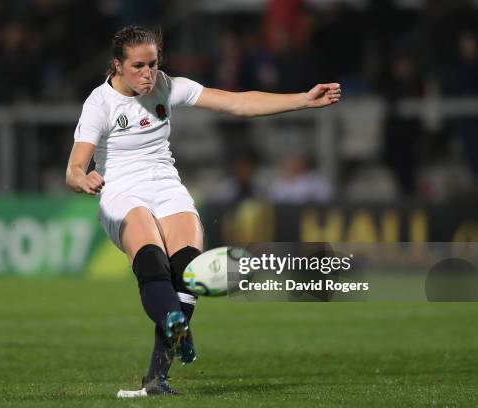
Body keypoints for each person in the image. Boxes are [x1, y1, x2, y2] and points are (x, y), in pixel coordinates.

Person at [65, 25, 341, 397]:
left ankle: (157, 378)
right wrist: (83, 180)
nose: (149, 73)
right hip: (121, 190)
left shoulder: (166, 85)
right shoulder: (99, 103)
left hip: (165, 185)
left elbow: (238, 103)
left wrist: (303, 100)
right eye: (138, 66)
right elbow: (74, 168)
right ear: (117, 65)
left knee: (186, 270)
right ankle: (175, 327)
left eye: (153, 63)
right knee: (152, 262)